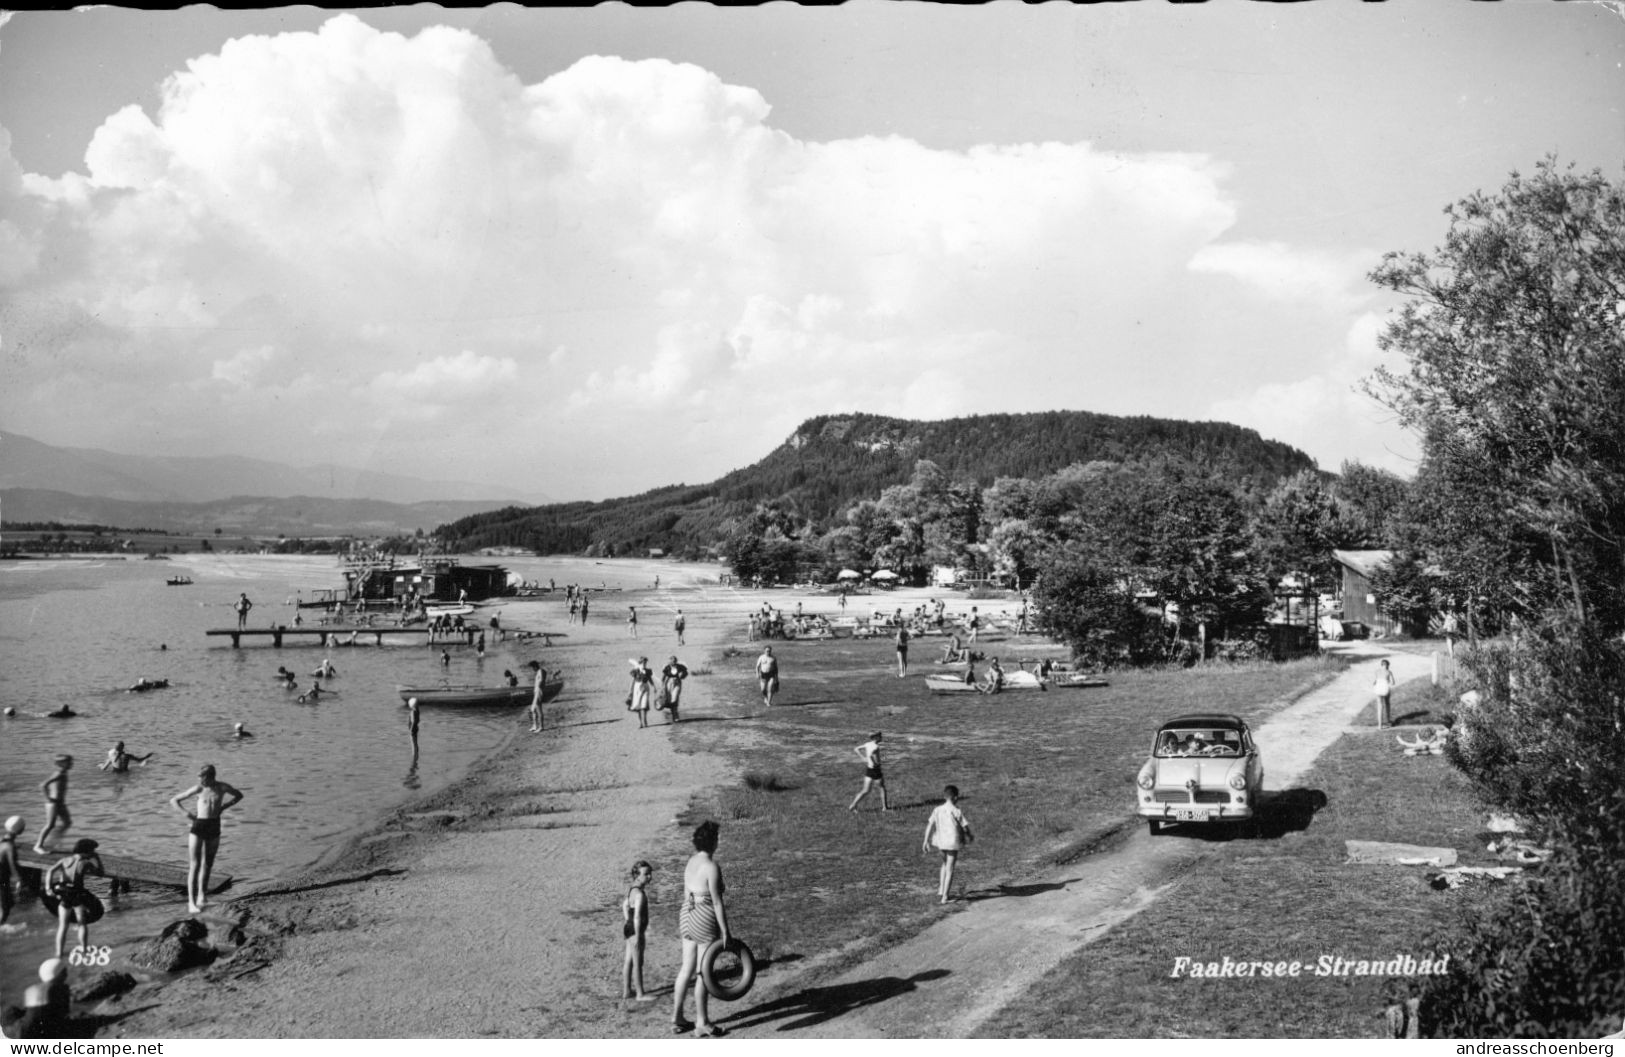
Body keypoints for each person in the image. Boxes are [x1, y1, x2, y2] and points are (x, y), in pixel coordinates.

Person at [672, 821, 730, 1037]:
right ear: (712, 841)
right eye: (717, 837)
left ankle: (676, 1018)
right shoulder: (712, 867)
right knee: (703, 972)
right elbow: (717, 902)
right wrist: (725, 931)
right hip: (704, 915)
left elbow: (686, 893)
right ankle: (702, 1022)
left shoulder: (691, 862)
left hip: (687, 913)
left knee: (686, 968)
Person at [170, 764, 244, 914]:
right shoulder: (198, 789)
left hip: (214, 825)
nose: (200, 780)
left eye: (202, 777)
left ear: (210, 776)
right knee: (195, 865)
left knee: (208, 863)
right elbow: (174, 800)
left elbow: (239, 795)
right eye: (199, 778)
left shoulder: (222, 787)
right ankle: (191, 902)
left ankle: (202, 897)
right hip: (198, 826)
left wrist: (224, 806)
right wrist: (187, 814)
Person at [45, 838, 104, 957]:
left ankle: (59, 953)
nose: (92, 852)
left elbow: (50, 871)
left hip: (64, 894)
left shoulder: (64, 860)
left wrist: (48, 888)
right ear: (86, 851)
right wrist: (97, 858)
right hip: (77, 895)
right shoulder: (85, 863)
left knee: (63, 925)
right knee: (82, 924)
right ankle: (84, 951)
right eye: (92, 851)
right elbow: (100, 873)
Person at [922, 785, 973, 904]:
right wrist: (969, 835)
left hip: (940, 841)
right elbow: (965, 826)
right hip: (952, 842)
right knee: (950, 868)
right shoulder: (956, 811)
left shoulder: (937, 809)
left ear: (945, 796)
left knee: (944, 864)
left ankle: (941, 889)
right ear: (955, 797)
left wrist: (925, 841)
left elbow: (930, 825)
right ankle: (945, 897)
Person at [621, 860, 655, 1001]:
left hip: (628, 929)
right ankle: (640, 994)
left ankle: (627, 990)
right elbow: (637, 917)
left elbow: (624, 905)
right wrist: (638, 935)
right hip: (635, 930)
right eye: (646, 874)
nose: (649, 877)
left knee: (628, 960)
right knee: (637, 962)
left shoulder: (632, 889)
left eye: (650, 873)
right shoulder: (640, 894)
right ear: (637, 876)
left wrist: (626, 920)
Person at [14, 958, 70, 1039]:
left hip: (24, 1032)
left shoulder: (30, 990)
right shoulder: (60, 989)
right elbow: (63, 1015)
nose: (67, 975)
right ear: (58, 975)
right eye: (64, 972)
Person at [35, 756, 72, 853]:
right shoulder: (59, 774)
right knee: (50, 825)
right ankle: (38, 846)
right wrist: (48, 799)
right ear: (63, 764)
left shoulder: (63, 773)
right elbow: (43, 785)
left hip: (60, 803)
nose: (71, 764)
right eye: (69, 762)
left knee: (67, 822)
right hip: (53, 803)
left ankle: (54, 841)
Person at [848, 732, 890, 812]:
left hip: (869, 770)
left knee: (865, 790)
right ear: (876, 737)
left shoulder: (867, 744)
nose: (881, 737)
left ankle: (853, 805)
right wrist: (879, 762)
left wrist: (863, 758)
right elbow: (871, 756)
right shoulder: (876, 747)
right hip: (876, 770)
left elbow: (856, 749)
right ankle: (885, 808)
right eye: (880, 736)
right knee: (882, 788)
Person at [0, 816, 22, 928]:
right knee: (6, 907)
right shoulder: (10, 847)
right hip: (2, 879)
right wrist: (18, 880)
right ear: (20, 831)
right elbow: (13, 865)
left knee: (9, 902)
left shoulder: (1, 840)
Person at [660, 656, 689, 724]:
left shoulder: (679, 666)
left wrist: (682, 676)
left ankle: (675, 715)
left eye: (675, 661)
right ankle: (675, 715)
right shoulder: (667, 667)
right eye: (672, 661)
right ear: (670, 662)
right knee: (670, 700)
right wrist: (662, 687)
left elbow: (685, 673)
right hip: (669, 683)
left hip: (677, 683)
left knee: (674, 699)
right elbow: (663, 677)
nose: (674, 662)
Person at [629, 657, 655, 729]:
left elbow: (650, 679)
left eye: (645, 663)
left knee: (643, 705)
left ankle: (644, 721)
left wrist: (654, 687)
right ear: (640, 663)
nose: (644, 664)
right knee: (638, 706)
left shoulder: (647, 671)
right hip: (637, 687)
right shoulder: (636, 670)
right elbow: (632, 681)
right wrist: (630, 691)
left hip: (645, 687)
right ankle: (641, 722)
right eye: (643, 662)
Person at [1372, 658, 1397, 728]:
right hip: (1385, 688)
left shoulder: (1376, 671)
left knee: (1379, 706)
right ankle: (1388, 720)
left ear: (1381, 665)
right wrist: (1387, 681)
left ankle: (1379, 725)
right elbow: (1393, 683)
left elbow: (1374, 682)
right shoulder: (1389, 672)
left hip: (1378, 688)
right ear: (1388, 665)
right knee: (1387, 704)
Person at [527, 661, 547, 733]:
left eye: (532, 668)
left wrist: (538, 687)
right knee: (533, 709)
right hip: (537, 691)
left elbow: (542, 680)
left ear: (535, 666)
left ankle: (541, 727)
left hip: (539, 691)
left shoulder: (541, 671)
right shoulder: (539, 671)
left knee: (538, 709)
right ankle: (535, 726)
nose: (532, 670)